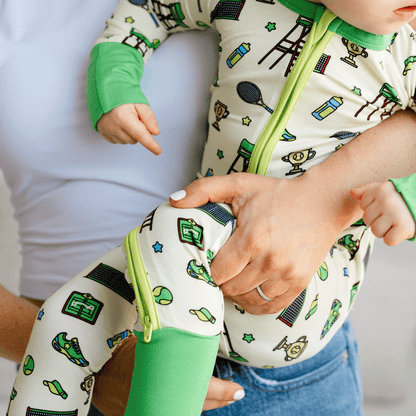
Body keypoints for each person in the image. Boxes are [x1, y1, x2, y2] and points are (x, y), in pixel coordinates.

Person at [7, 1, 416, 416]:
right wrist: (116, 79)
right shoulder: (248, 4)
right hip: (160, 286)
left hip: (293, 300)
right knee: (64, 321)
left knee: (179, 219)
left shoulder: (408, 49)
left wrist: (407, 193)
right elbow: (151, 8)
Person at [0, 1, 243, 415]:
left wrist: (319, 199)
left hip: (252, 363)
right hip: (60, 358)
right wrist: (79, 358)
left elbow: (387, 90)